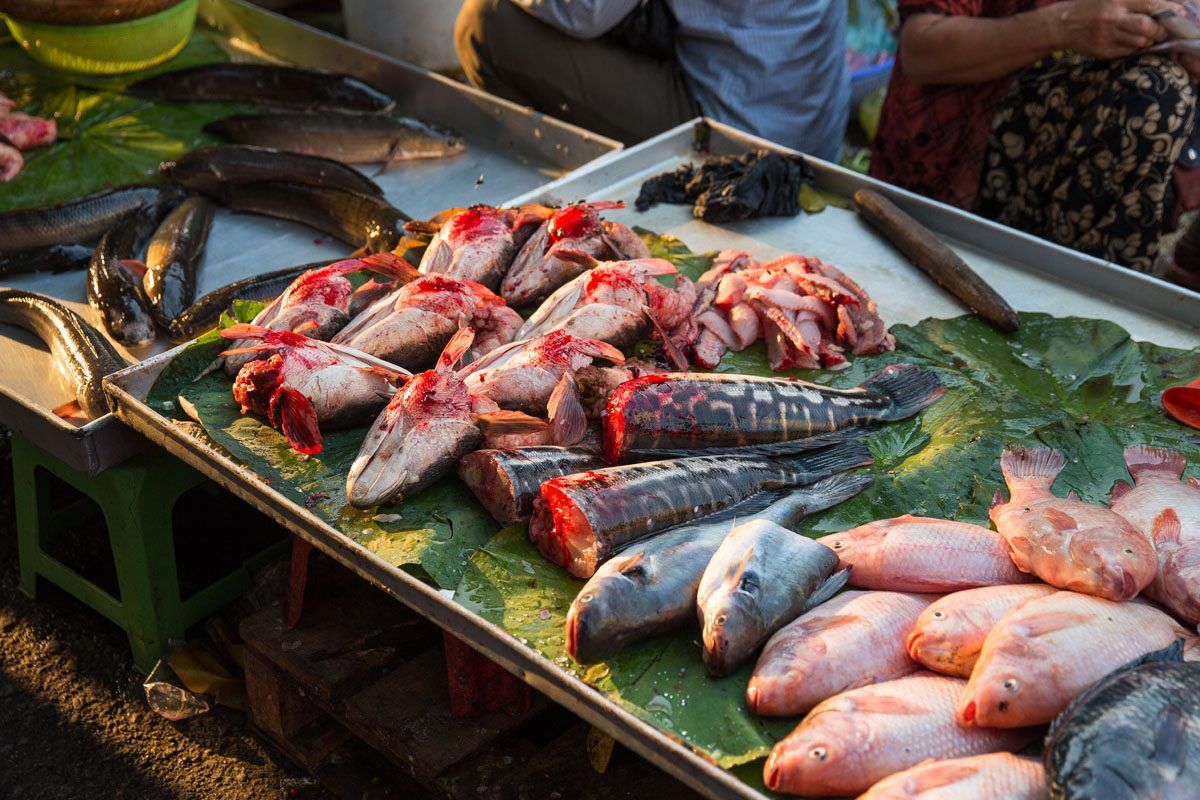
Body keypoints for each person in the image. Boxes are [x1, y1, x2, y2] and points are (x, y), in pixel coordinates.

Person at [871, 0, 1200, 276]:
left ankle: (1094, 299)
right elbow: (920, 50)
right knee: (1157, 92)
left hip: (1088, 154)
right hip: (957, 163)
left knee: (1158, 93)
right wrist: (1062, 25)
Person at [454, 0, 851, 163]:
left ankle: (565, 199)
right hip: (815, 125)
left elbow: (580, 10)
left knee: (487, 22)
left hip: (739, 133)